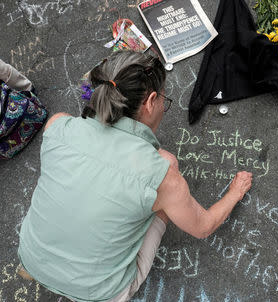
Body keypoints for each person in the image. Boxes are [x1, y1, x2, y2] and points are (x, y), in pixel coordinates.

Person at [17, 50, 253, 302]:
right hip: (99, 293)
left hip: (31, 258)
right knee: (166, 173)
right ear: (150, 101)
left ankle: (43, 271)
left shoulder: (59, 125)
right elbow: (204, 227)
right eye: (164, 98)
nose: (164, 105)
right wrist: (235, 192)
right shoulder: (162, 176)